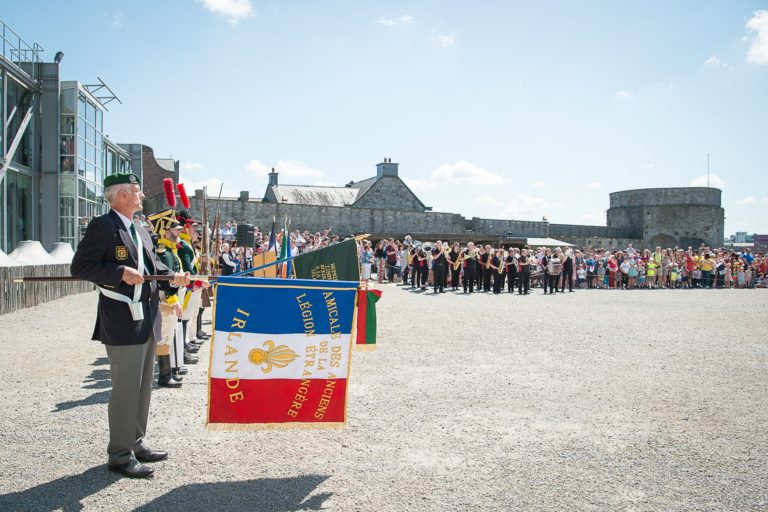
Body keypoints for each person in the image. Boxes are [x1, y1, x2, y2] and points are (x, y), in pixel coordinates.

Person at [70, 172, 190, 478]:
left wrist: (172, 277)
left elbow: (153, 266)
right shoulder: (103, 227)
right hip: (122, 319)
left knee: (142, 387)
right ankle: (120, 454)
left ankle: (136, 441)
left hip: (146, 316)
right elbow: (81, 267)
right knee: (125, 389)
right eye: (136, 191)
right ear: (121, 195)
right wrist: (119, 271)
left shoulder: (139, 228)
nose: (141, 196)